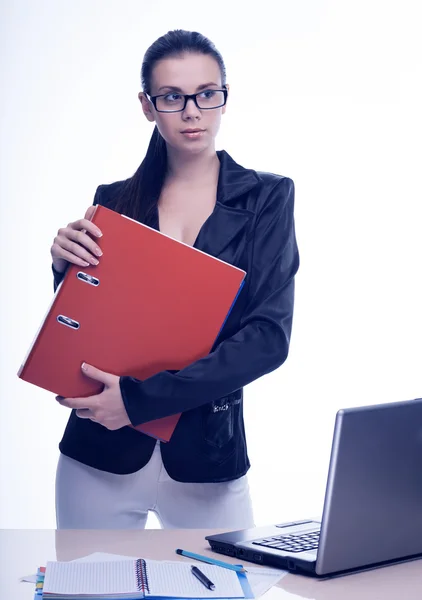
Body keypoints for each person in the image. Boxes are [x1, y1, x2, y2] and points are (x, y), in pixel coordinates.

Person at [51, 29, 300, 530]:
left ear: (224, 99)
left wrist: (139, 402)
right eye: (172, 97)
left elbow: (268, 339)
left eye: (207, 94)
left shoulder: (266, 199)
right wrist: (63, 268)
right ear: (147, 106)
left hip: (207, 458)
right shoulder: (114, 201)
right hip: (99, 453)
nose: (192, 111)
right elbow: (89, 327)